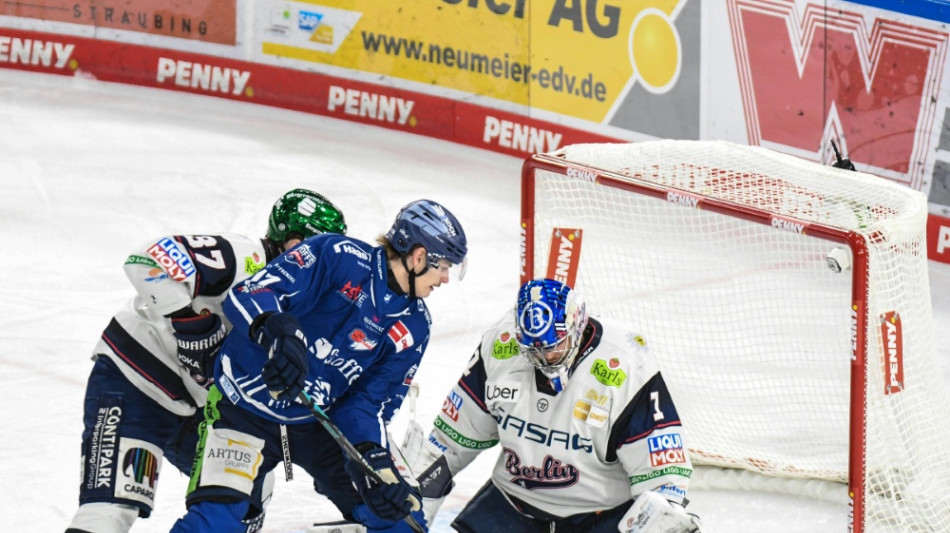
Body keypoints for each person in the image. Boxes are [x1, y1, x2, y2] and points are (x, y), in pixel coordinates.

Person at [170, 199, 468, 533]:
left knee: (398, 515)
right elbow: (251, 292)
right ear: (418, 256)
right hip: (242, 411)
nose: (444, 278)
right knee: (214, 524)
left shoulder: (414, 326)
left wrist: (373, 456)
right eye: (443, 266)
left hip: (318, 424)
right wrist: (279, 332)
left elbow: (368, 404)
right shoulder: (336, 255)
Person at [65, 189, 348, 533]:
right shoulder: (246, 258)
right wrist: (191, 324)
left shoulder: (302, 296)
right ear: (292, 242)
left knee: (248, 498)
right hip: (136, 382)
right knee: (111, 509)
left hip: (201, 410)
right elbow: (146, 260)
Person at [403, 278, 704, 533]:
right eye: (532, 349)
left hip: (599, 516)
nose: (543, 359)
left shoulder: (623, 366)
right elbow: (449, 443)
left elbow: (663, 474)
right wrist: (408, 501)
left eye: (553, 347)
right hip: (512, 504)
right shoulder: (502, 346)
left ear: (577, 328)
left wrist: (664, 518)